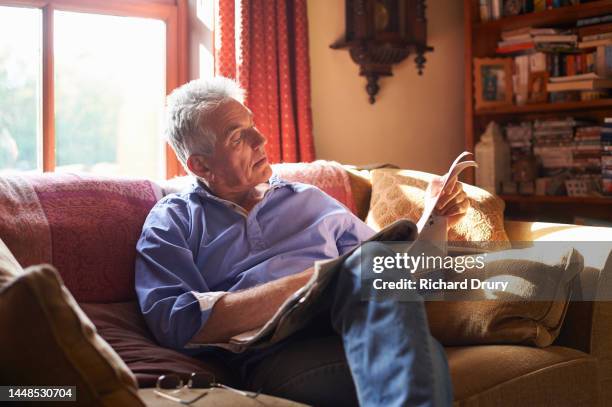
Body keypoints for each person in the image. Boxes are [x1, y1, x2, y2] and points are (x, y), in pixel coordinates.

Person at [135, 77, 469, 406]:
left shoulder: (310, 199)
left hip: (349, 329)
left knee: (505, 277)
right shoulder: (174, 220)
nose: (261, 139)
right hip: (276, 354)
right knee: (417, 355)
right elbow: (175, 321)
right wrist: (318, 280)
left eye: (253, 125)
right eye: (238, 137)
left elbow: (397, 279)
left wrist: (435, 218)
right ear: (201, 164)